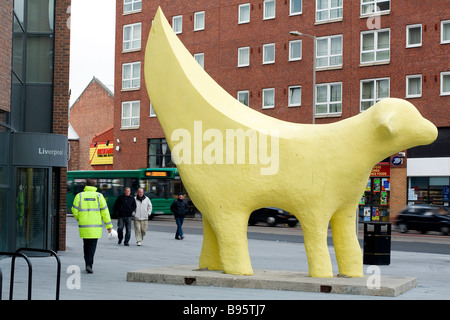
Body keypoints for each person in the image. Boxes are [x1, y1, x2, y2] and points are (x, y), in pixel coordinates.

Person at [71, 179, 112, 273]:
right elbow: (105, 212)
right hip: (95, 227)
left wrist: (79, 219)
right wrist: (109, 226)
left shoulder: (80, 196)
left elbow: (74, 210)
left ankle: (87, 263)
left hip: (84, 226)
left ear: (86, 185)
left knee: (86, 245)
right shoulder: (99, 196)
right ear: (94, 186)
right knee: (92, 247)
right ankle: (90, 264)